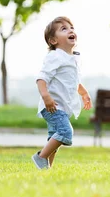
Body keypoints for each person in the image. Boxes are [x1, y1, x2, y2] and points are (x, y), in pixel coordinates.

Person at [31, 16, 92, 170]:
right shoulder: (55, 56)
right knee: (65, 132)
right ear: (53, 41)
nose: (70, 30)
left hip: (61, 107)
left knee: (54, 138)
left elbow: (72, 81)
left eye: (71, 27)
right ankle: (40, 157)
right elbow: (41, 79)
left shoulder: (72, 58)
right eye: (64, 29)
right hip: (52, 106)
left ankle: (46, 169)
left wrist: (83, 93)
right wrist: (46, 97)